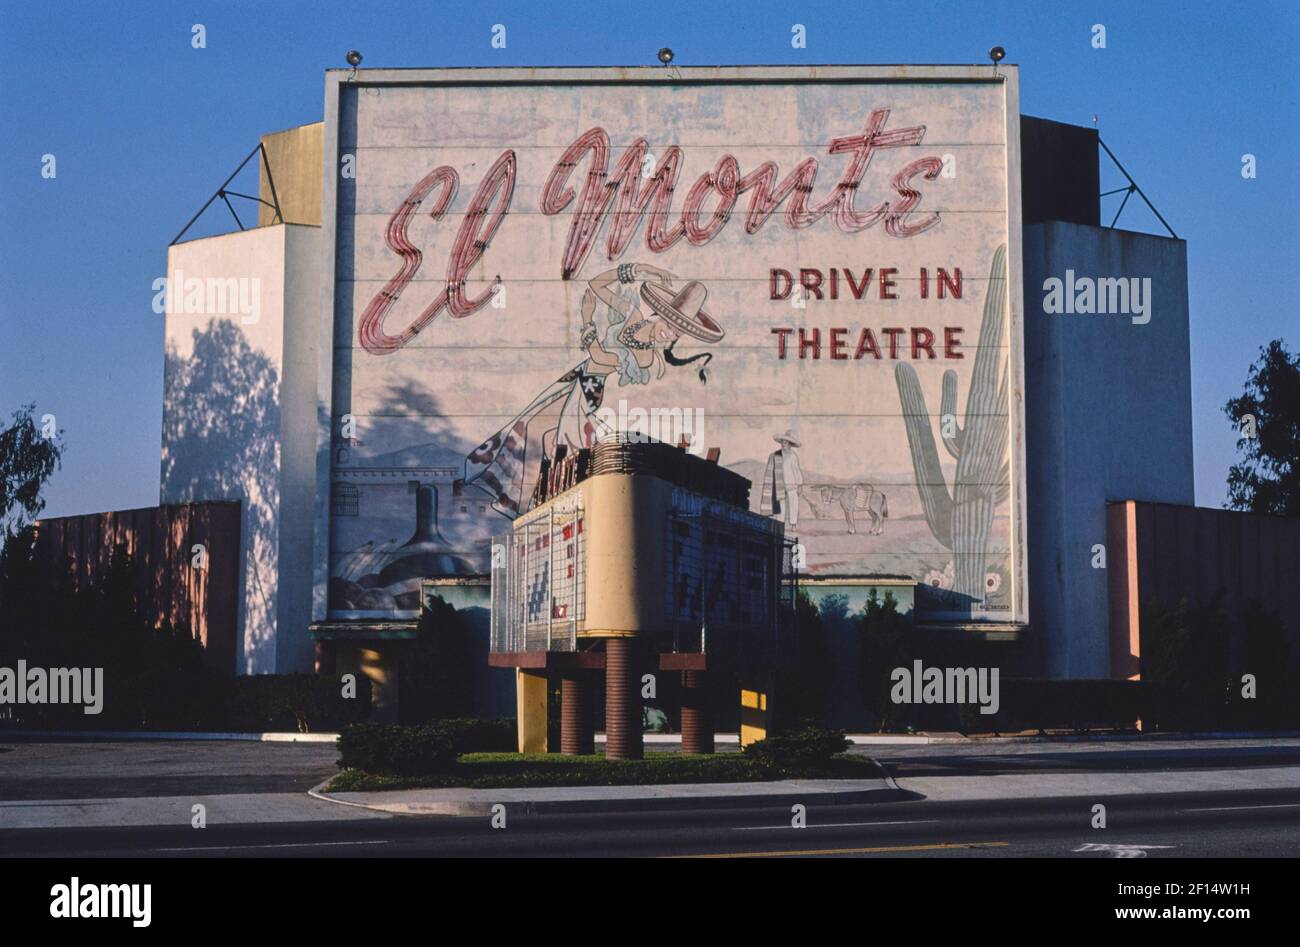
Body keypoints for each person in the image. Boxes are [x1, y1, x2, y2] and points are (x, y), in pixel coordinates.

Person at [463, 263, 724, 517]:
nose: (669, 336)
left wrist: (588, 328)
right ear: (661, 314)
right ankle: (519, 503)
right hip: (574, 379)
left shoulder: (645, 359)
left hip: (590, 390)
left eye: (677, 334)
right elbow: (596, 285)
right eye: (670, 327)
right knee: (532, 430)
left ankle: (520, 507)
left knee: (544, 435)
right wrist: (640, 270)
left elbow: (601, 358)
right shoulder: (632, 315)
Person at [760, 430, 804, 527]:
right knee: (781, 506)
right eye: (782, 442)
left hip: (792, 485)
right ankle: (780, 524)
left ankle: (793, 524)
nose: (783, 444)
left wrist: (800, 484)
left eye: (785, 442)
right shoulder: (775, 455)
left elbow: (796, 471)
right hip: (780, 485)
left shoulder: (793, 456)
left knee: (794, 505)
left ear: (790, 444)